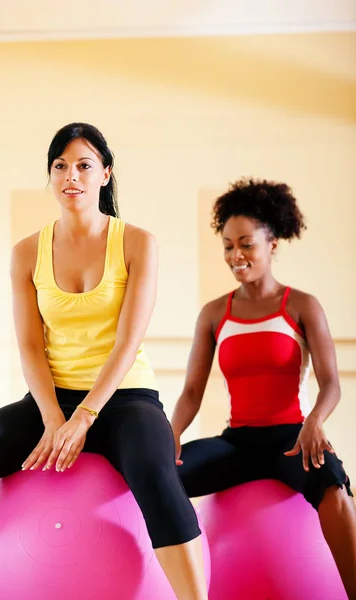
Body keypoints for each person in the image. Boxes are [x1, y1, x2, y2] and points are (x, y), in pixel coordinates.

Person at [0, 122, 208, 600]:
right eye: (60, 166)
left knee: (157, 477)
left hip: (125, 397)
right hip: (51, 400)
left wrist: (84, 417)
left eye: (84, 165)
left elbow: (127, 342)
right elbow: (30, 346)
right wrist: (54, 417)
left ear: (105, 175)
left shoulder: (137, 243)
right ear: (50, 177)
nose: (71, 175)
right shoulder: (26, 252)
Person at [171, 178, 356, 599]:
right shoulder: (214, 313)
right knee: (159, 476)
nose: (236, 256)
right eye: (228, 245)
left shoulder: (301, 305)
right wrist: (172, 433)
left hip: (292, 438)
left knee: (333, 485)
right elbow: (191, 393)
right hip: (237, 443)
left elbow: (331, 384)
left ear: (272, 243)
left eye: (247, 244)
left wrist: (314, 422)